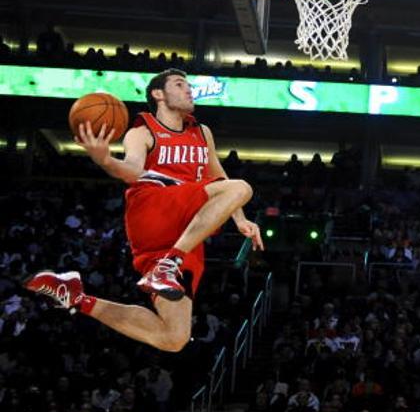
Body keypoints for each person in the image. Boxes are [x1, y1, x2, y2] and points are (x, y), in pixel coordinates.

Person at [24, 68, 264, 352]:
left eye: (189, 85)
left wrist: (239, 217)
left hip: (185, 236)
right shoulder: (142, 130)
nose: (189, 90)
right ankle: (168, 264)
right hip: (154, 208)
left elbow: (218, 174)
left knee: (174, 338)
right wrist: (106, 161)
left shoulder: (202, 132)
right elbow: (132, 170)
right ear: (158, 94)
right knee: (243, 188)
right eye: (179, 84)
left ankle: (77, 298)